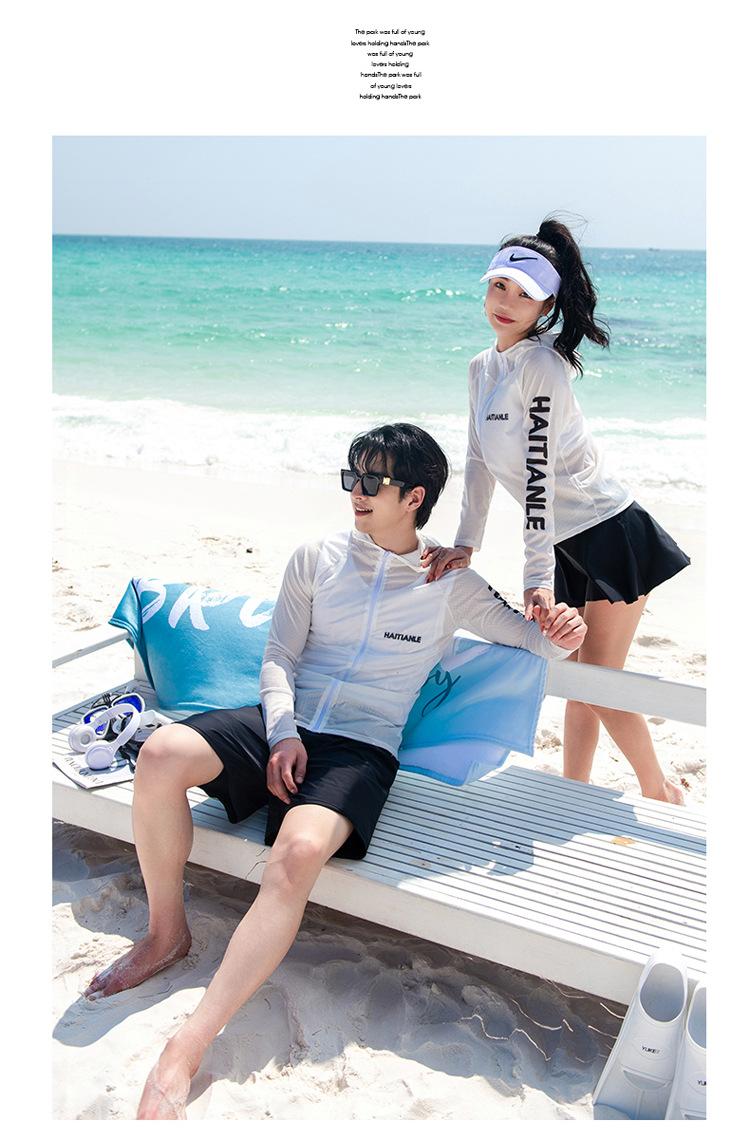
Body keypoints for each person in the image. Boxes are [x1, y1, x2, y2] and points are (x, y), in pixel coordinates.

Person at [83, 422, 586, 1119]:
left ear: (415, 496)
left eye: (373, 479)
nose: (356, 490)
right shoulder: (316, 558)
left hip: (360, 747)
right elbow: (279, 658)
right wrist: (283, 732)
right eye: (352, 476)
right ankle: (166, 933)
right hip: (283, 723)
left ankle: (187, 1046)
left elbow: (535, 641)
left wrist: (564, 632)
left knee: (296, 856)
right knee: (161, 754)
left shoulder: (450, 583)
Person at [421, 217, 690, 805]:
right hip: (560, 540)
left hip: (608, 531)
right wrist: (466, 542)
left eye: (524, 294)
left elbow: (537, 475)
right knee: (575, 674)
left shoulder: (542, 367)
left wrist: (535, 577)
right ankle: (575, 788)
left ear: (546, 305)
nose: (506, 303)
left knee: (597, 678)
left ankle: (659, 790)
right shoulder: (481, 368)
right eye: (499, 287)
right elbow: (477, 459)